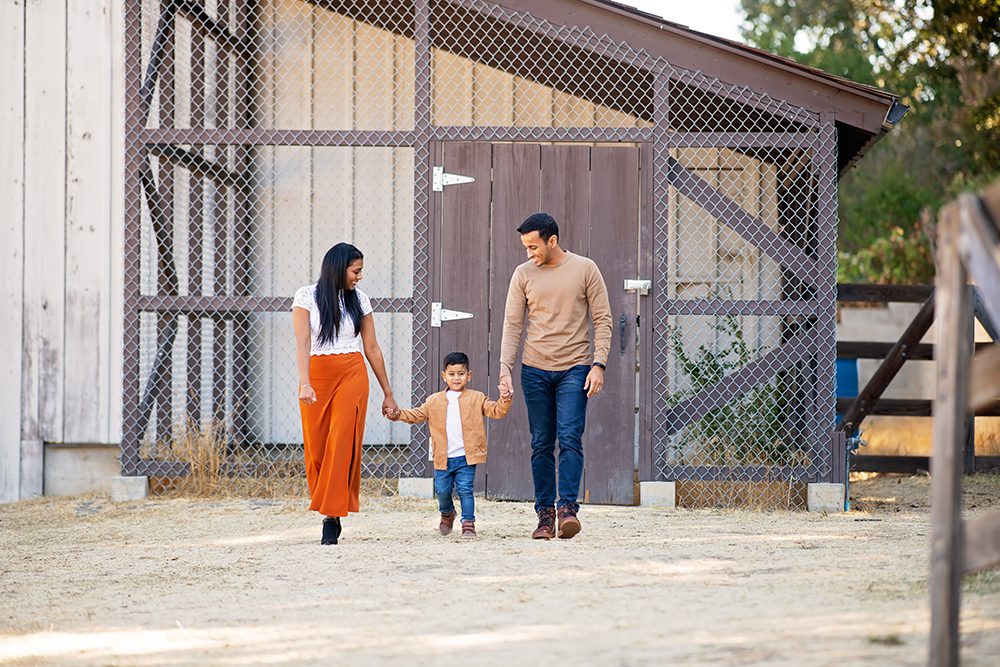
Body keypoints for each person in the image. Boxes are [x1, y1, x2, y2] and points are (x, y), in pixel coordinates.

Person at [498, 213, 612, 540]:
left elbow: (602, 319)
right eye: (525, 247)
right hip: (534, 370)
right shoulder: (523, 274)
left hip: (575, 368)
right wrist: (505, 368)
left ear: (552, 241)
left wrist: (598, 364)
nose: (529, 253)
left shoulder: (585, 268)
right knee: (541, 442)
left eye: (533, 246)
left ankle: (567, 511)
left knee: (570, 437)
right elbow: (513, 324)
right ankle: (544, 515)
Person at [292, 242, 398, 545]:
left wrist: (387, 393)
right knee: (317, 446)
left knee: (341, 442)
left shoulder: (360, 300)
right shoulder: (306, 296)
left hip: (352, 373)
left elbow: (372, 348)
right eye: (356, 270)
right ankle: (328, 505)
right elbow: (302, 344)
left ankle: (332, 515)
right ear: (339, 268)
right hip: (317, 377)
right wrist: (304, 383)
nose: (359, 276)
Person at [387, 352, 512, 538]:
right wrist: (397, 414)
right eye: (452, 374)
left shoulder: (477, 398)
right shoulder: (434, 400)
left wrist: (505, 399)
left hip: (466, 457)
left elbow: (496, 411)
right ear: (444, 376)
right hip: (442, 457)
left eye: (461, 374)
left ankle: (468, 523)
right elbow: (416, 415)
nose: (456, 378)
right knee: (443, 491)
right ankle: (447, 513)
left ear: (469, 375)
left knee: (465, 490)